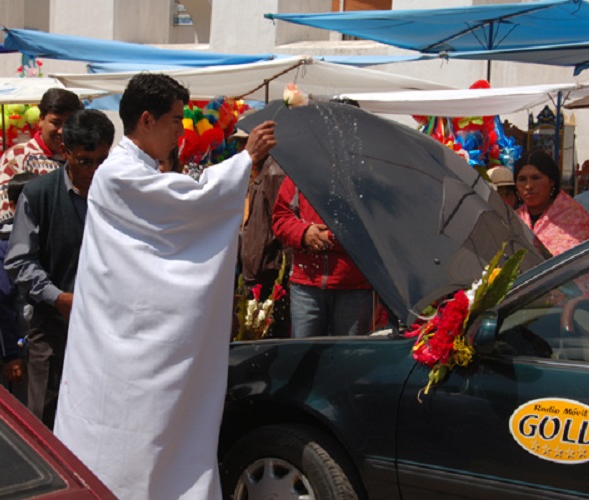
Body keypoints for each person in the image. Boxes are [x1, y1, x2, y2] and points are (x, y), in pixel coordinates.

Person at [53, 73, 276, 499]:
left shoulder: (137, 172)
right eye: (175, 120)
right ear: (146, 119)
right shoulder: (120, 174)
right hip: (122, 343)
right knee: (128, 438)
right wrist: (243, 161)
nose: (181, 130)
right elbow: (191, 203)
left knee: (154, 431)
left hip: (136, 334)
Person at [5, 109, 114, 429]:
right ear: (65, 152)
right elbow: (20, 261)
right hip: (54, 328)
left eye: (101, 161)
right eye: (85, 161)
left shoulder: (118, 191)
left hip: (107, 329)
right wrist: (58, 298)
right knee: (47, 415)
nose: (94, 170)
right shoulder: (39, 195)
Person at [272, 177, 373, 337]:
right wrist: (304, 233)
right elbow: (281, 218)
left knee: (350, 357)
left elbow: (376, 224)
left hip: (353, 285)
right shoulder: (299, 172)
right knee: (304, 356)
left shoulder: (364, 174)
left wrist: (329, 238)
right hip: (307, 286)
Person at [0, 88, 83, 221]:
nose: (61, 131)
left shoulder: (80, 159)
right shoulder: (17, 157)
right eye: (56, 123)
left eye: (69, 124)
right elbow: (6, 213)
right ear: (41, 119)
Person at [0, 172, 37, 402]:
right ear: (14, 207)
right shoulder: (4, 247)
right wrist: (10, 355)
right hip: (19, 350)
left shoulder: (45, 238)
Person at [239, 145, 290, 338]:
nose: (240, 149)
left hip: (267, 272)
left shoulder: (274, 172)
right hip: (256, 271)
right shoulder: (259, 173)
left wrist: (284, 271)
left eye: (244, 143)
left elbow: (281, 221)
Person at [515, 150, 589, 256]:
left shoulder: (575, 219)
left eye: (536, 178)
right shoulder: (513, 220)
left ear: (551, 181)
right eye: (522, 179)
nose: (528, 186)